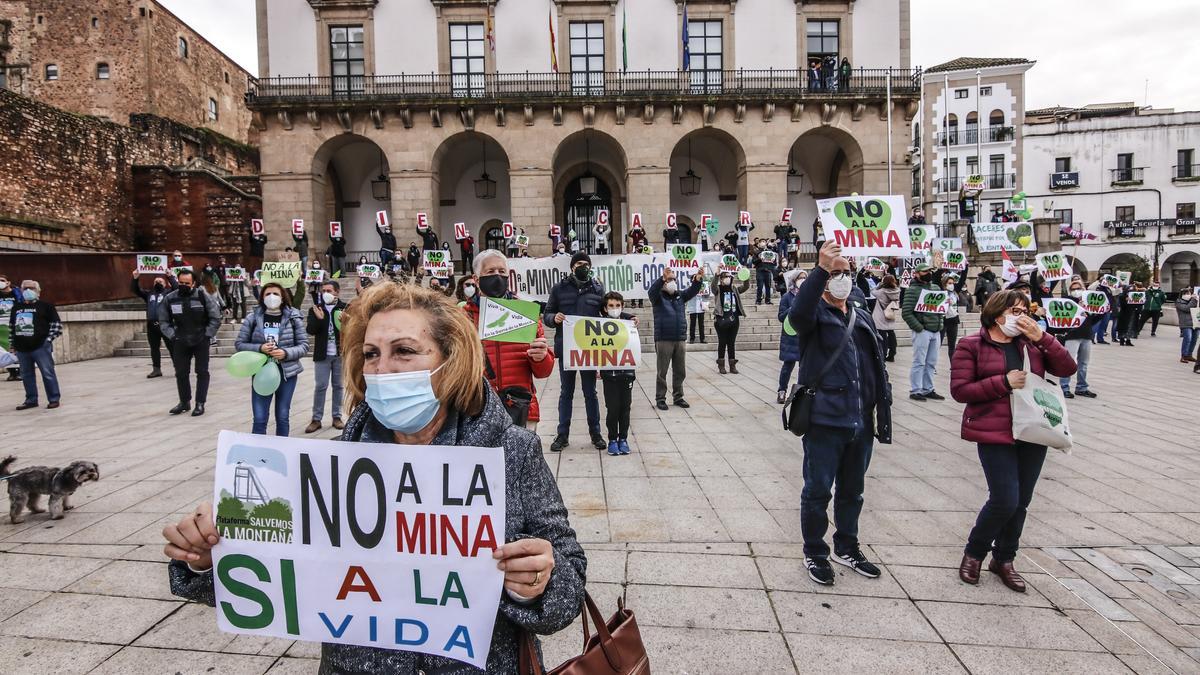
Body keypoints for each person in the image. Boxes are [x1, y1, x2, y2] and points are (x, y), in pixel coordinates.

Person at [163, 282, 586, 673]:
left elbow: (568, 580)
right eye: (371, 354)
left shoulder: (512, 452)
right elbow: (273, 579)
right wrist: (207, 560)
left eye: (404, 350)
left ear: (450, 360)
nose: (381, 369)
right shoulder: (327, 467)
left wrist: (535, 583)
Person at [951, 290, 1076, 592]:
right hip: (995, 431)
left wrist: (1043, 338)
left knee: (1021, 502)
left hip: (1033, 430)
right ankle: (975, 552)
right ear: (997, 314)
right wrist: (1002, 383)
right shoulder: (972, 345)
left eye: (1024, 311)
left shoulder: (1031, 343)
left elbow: (1067, 368)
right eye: (1014, 311)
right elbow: (961, 390)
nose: (1021, 317)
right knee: (1004, 498)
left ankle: (1004, 558)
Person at [787, 240, 891, 586]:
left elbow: (874, 362)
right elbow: (797, 315)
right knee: (818, 491)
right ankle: (815, 552)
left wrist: (882, 405)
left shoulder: (860, 315)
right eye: (835, 274)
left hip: (860, 420)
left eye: (845, 273)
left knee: (853, 491)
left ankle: (846, 546)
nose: (841, 279)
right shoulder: (814, 314)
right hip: (825, 419)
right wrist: (820, 269)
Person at [466, 250, 555, 429]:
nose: (497, 276)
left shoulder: (525, 314)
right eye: (490, 272)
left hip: (521, 409)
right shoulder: (463, 318)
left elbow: (543, 372)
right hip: (478, 412)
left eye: (502, 272)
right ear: (476, 279)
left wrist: (541, 357)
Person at [544, 252, 607, 451]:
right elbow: (546, 313)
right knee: (566, 393)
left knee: (591, 393)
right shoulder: (559, 288)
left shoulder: (598, 288)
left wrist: (627, 318)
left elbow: (606, 315)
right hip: (566, 349)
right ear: (572, 267)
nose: (583, 267)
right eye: (579, 263)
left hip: (587, 351)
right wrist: (554, 318)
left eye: (586, 264)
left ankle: (596, 433)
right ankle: (562, 435)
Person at [235, 282, 308, 436]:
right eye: (267, 294)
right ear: (262, 297)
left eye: (275, 294)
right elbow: (240, 344)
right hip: (261, 373)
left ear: (283, 297)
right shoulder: (253, 317)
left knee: (282, 416)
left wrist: (286, 353)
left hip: (286, 373)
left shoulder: (293, 317)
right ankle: (258, 452)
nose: (271, 297)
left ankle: (282, 451)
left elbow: (304, 345)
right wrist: (259, 348)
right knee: (260, 418)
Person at [157, 269, 221, 417]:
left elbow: (215, 317)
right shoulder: (170, 298)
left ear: (193, 283)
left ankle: (200, 403)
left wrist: (207, 335)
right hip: (180, 340)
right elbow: (163, 321)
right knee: (181, 373)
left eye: (187, 283)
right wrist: (173, 336)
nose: (183, 285)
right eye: (181, 283)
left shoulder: (202, 296)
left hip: (200, 339)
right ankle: (184, 402)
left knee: (202, 371)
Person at [649, 267, 704, 407]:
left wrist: (697, 280)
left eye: (674, 279)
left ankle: (678, 397)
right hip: (663, 339)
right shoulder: (658, 297)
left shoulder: (680, 295)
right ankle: (660, 398)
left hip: (679, 338)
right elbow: (651, 292)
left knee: (680, 370)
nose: (672, 282)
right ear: (664, 282)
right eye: (669, 279)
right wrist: (662, 278)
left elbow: (692, 291)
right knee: (662, 371)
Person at [10, 280, 62, 410]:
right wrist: (13, 345)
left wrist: (47, 340)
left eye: (32, 288)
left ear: (38, 291)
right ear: (21, 290)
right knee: (26, 375)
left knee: (47, 373)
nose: (28, 290)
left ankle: (54, 398)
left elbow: (57, 326)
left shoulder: (46, 306)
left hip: (40, 346)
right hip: (22, 348)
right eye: (26, 288)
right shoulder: (16, 307)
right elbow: (12, 327)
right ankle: (31, 400)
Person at [304, 280, 347, 433]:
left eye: (329, 290)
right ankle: (316, 419)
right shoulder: (315, 309)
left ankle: (337, 416)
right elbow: (311, 330)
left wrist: (346, 322)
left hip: (339, 354)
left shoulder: (345, 308)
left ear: (337, 292)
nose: (326, 294)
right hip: (322, 355)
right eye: (324, 291)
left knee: (338, 386)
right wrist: (319, 319)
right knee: (321, 386)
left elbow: (351, 331)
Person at [599, 292, 636, 456]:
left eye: (618, 306)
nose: (615, 309)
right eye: (611, 306)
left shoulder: (629, 324)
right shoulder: (599, 325)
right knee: (612, 408)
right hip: (609, 375)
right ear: (605, 309)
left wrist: (632, 318)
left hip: (627, 373)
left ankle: (624, 439)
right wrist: (596, 368)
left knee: (625, 408)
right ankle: (612, 439)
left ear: (622, 307)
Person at [901, 263, 945, 401]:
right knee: (919, 361)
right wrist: (919, 328)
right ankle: (915, 390)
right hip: (922, 331)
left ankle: (928, 389)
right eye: (925, 271)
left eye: (929, 271)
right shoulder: (912, 290)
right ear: (917, 274)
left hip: (935, 330)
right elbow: (906, 312)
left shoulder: (936, 288)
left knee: (931, 362)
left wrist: (940, 324)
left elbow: (940, 309)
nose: (928, 273)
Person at [1053, 279, 1099, 398]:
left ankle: (1082, 387)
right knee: (1069, 362)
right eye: (1073, 289)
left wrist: (1092, 313)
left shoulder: (1088, 302)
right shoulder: (1067, 302)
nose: (1076, 291)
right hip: (1072, 336)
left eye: (1078, 288)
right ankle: (1064, 387)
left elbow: (1094, 319)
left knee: (1083, 363)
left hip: (1086, 335)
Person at [131, 270, 177, 378]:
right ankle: (156, 369)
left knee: (172, 347)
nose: (158, 283)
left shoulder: (168, 293)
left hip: (165, 324)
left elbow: (176, 289)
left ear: (165, 284)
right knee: (154, 348)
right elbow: (136, 290)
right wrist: (135, 278)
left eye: (160, 281)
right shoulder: (149, 294)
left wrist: (170, 277)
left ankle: (178, 368)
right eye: (156, 281)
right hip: (152, 325)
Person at [776, 269, 807, 403]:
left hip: (805, 335)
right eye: (800, 278)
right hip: (790, 336)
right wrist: (793, 307)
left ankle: (801, 392)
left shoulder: (809, 296)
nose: (802, 280)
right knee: (787, 366)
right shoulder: (787, 297)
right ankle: (782, 391)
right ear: (794, 280)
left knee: (804, 367)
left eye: (805, 278)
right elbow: (781, 317)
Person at [711, 268, 748, 375]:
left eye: (729, 277)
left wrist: (746, 277)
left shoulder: (734, 289)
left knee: (731, 343)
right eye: (725, 277)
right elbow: (712, 288)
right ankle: (721, 364)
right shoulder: (718, 289)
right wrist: (716, 276)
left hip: (734, 319)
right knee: (722, 342)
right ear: (721, 279)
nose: (728, 278)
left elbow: (745, 287)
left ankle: (732, 365)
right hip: (721, 319)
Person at [871, 274, 901, 363]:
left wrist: (879, 285)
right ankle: (892, 354)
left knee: (882, 335)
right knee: (891, 334)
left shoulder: (881, 292)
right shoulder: (897, 291)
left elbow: (872, 291)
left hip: (880, 315)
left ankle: (883, 354)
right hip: (890, 314)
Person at [0, 274, 21, 381]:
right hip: (1, 327)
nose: (0, 282)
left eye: (2, 280)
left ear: (8, 282)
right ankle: (12, 372)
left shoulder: (16, 293)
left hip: (14, 323)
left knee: (17, 346)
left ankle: (20, 371)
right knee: (5, 349)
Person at [1176, 288, 1198, 364]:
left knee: (1194, 340)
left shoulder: (1194, 301)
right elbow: (1187, 308)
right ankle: (1183, 356)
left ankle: (1189, 355)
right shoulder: (1179, 302)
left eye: (1189, 293)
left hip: (1196, 323)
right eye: (1186, 293)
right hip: (1185, 324)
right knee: (1188, 338)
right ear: (1182, 295)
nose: (1188, 295)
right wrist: (1193, 300)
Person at [942, 275, 961, 359]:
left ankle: (953, 366)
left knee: (952, 346)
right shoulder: (940, 293)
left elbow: (962, 280)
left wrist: (965, 267)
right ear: (944, 284)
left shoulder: (955, 293)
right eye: (949, 283)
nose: (951, 285)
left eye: (953, 283)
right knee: (937, 344)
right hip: (943, 320)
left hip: (953, 320)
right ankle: (932, 366)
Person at [687, 273, 710, 344]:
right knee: (692, 324)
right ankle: (692, 338)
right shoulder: (690, 287)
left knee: (701, 324)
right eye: (694, 278)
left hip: (701, 307)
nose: (696, 279)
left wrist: (706, 291)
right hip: (692, 307)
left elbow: (707, 295)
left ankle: (702, 338)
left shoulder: (703, 286)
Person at [1117, 282, 1142, 346]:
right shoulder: (1122, 296)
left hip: (1132, 313)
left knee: (1130, 326)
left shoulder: (1135, 296)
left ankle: (1128, 339)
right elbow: (1122, 305)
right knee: (1123, 326)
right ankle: (1122, 339)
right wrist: (1126, 300)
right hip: (1124, 313)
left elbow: (1139, 304)